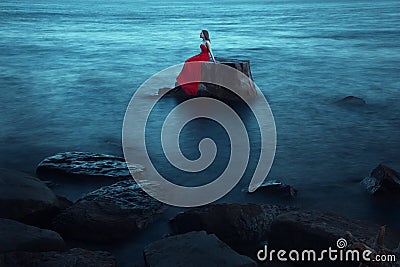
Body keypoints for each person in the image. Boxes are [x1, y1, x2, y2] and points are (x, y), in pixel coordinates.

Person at [175, 30, 216, 95]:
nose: (200, 34)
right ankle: (184, 77)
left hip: (205, 56)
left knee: (190, 62)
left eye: (201, 33)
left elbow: (210, 51)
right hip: (201, 55)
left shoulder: (207, 42)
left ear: (204, 34)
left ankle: (188, 79)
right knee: (187, 61)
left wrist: (213, 60)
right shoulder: (203, 41)